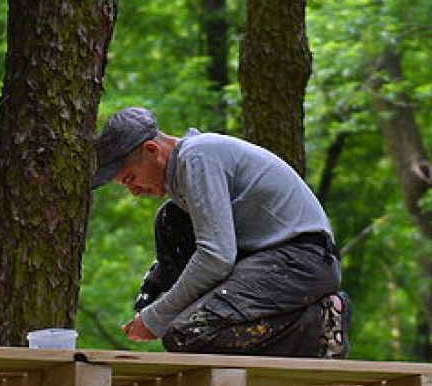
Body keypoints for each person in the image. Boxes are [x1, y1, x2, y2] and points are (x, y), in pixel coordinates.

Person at [92, 106, 350, 358]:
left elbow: (216, 257)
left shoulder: (197, 156)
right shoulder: (187, 174)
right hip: (263, 259)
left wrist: (155, 317)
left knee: (186, 336)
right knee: (170, 219)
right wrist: (157, 285)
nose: (134, 192)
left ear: (151, 151)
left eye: (130, 179)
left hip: (300, 262)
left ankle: (319, 324)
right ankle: (215, 314)